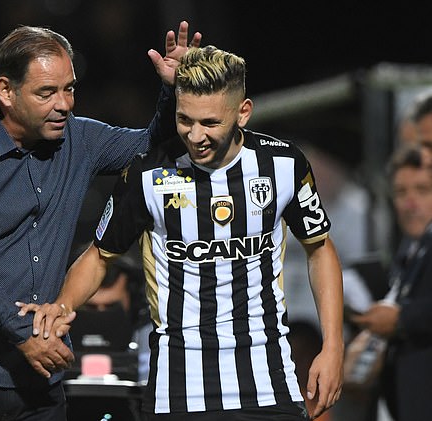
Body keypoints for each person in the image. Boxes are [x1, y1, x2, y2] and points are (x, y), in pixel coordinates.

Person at [21, 45, 344, 420]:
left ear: (243, 112)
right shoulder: (148, 174)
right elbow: (99, 255)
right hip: (178, 391)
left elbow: (320, 249)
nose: (195, 135)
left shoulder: (283, 165)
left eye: (210, 122)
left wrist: (333, 347)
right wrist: (62, 307)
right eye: (184, 120)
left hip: (268, 384)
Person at [0, 22, 201, 420]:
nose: (64, 104)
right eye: (46, 92)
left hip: (39, 372)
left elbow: (153, 149)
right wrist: (21, 330)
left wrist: (177, 89)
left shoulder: (79, 140)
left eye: (69, 89)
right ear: (6, 91)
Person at [351, 145, 432, 421]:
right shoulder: (407, 252)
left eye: (422, 190)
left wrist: (400, 319)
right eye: (401, 192)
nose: (410, 204)